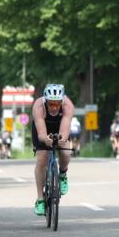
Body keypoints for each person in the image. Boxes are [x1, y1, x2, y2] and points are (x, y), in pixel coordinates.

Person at [30, 84, 75, 216]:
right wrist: (46, 139)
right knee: (41, 158)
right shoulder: (38, 107)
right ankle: (40, 199)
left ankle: (62, 174)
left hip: (60, 126)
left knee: (66, 152)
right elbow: (41, 134)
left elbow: (65, 128)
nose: (54, 107)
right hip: (42, 128)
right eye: (51, 104)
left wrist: (62, 139)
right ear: (45, 101)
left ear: (62, 101)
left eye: (57, 104)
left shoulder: (68, 106)